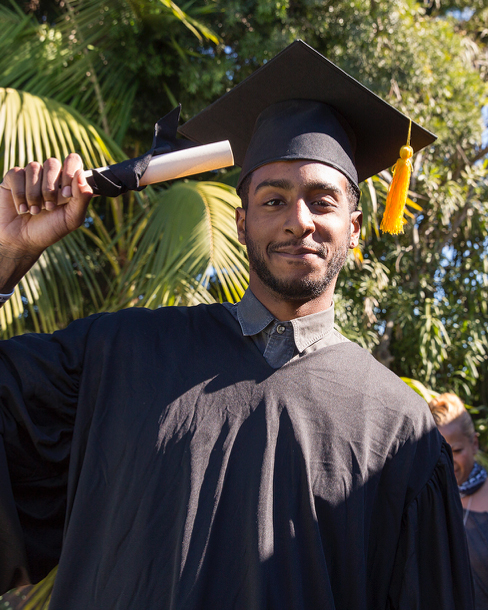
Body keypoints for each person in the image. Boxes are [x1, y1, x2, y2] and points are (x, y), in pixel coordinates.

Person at [0, 40, 473, 609]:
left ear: (354, 223)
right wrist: (9, 253)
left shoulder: (400, 431)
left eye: (322, 201)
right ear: (243, 221)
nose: (299, 220)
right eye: (274, 200)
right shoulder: (117, 354)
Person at [430, 393, 488, 609]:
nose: (448, 461)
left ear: (474, 444)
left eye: (456, 451)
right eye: (439, 452)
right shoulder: (425, 501)